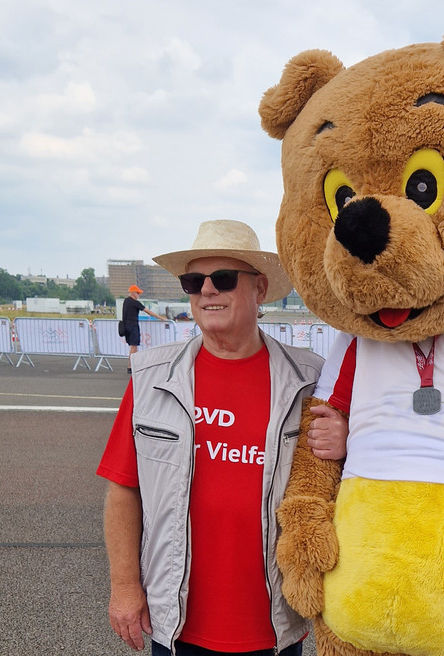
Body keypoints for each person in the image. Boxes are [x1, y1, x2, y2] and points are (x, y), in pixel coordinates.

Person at [97, 219, 347, 655]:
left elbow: (344, 479)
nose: (207, 291)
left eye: (223, 279)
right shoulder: (150, 379)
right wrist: (124, 587)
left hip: (275, 622)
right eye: (194, 282)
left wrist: (348, 440)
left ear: (261, 288)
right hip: (177, 624)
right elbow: (123, 488)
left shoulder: (310, 379)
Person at [122, 284, 165, 372]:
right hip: (133, 326)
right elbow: (148, 311)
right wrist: (161, 317)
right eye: (138, 293)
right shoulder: (135, 303)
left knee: (132, 347)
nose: (139, 295)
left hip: (126, 326)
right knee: (134, 347)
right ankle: (131, 366)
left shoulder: (126, 301)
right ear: (133, 293)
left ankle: (131, 366)